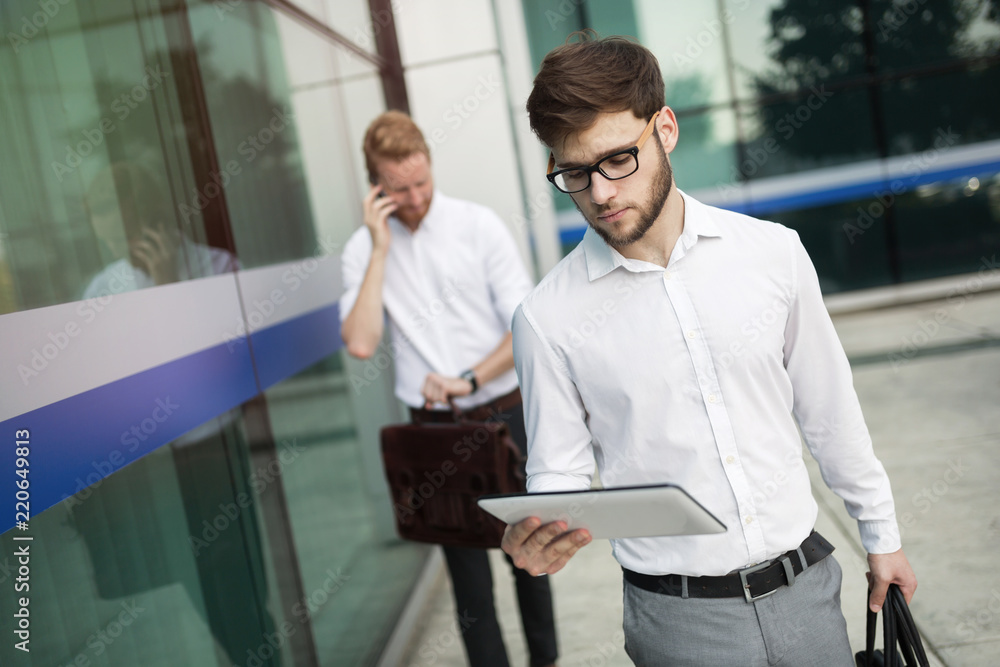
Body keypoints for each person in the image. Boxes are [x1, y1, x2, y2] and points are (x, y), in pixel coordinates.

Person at [501, 34, 917, 665]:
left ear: (664, 128)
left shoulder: (773, 254)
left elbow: (830, 412)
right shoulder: (546, 318)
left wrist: (881, 535)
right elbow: (557, 474)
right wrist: (540, 531)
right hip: (677, 623)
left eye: (618, 160)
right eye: (576, 174)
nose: (602, 193)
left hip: (807, 594)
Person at [339, 111, 559, 667]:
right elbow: (361, 343)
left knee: (530, 555)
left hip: (504, 413)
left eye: (421, 183)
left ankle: (545, 661)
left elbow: (525, 324)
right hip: (434, 430)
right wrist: (380, 248)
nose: (414, 198)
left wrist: (468, 378)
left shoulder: (478, 226)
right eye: (398, 189)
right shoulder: (364, 250)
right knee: (465, 572)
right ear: (375, 186)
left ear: (430, 167)